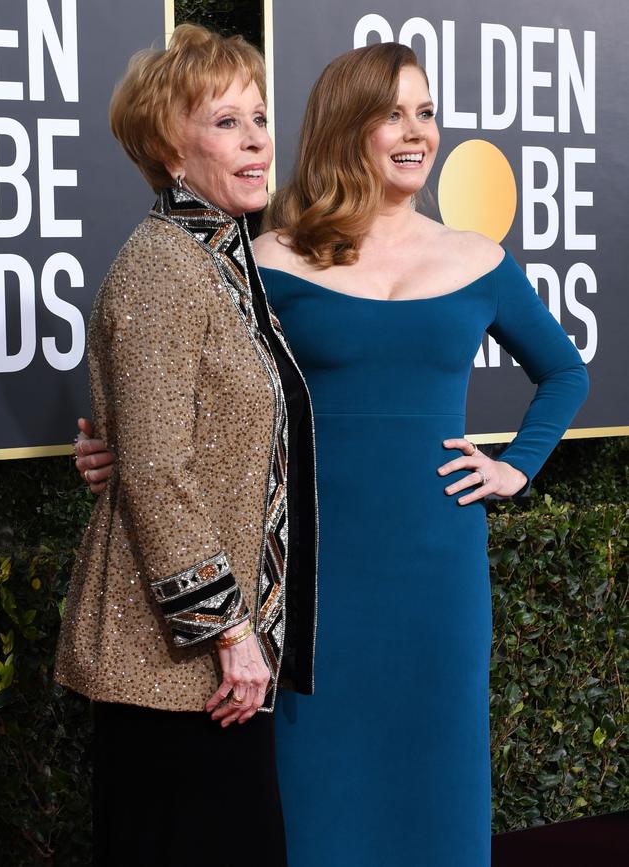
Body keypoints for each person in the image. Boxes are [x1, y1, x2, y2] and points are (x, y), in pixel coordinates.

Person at [77, 41, 589, 867]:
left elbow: (565, 371)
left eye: (425, 111)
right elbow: (182, 378)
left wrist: (516, 466)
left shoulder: (481, 260)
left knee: (438, 774)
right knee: (312, 796)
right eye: (393, 113)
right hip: (306, 571)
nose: (416, 131)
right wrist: (110, 441)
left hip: (438, 568)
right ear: (349, 127)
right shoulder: (268, 256)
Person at [55, 24, 317, 867]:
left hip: (204, 664)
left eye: (259, 117)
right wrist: (229, 631)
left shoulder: (221, 262)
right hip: (175, 662)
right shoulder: (167, 267)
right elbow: (160, 472)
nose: (255, 140)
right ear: (171, 151)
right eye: (226, 122)